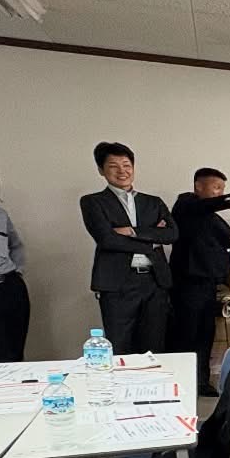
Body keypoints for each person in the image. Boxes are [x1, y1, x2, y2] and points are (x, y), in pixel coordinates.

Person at [79, 141, 175, 353]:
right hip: (117, 284)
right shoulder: (93, 202)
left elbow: (171, 234)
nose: (122, 171)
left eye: (126, 165)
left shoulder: (153, 202)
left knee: (154, 346)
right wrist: (152, 239)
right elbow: (107, 239)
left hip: (155, 281)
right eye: (113, 166)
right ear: (101, 170)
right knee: (120, 345)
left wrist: (132, 231)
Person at [168, 167, 230, 395]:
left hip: (209, 284)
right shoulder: (186, 204)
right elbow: (206, 206)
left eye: (223, 189)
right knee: (186, 334)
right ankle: (182, 382)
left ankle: (201, 381)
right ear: (199, 186)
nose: (220, 193)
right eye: (216, 188)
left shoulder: (213, 218)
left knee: (206, 335)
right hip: (187, 283)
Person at [0, 151, 30, 362]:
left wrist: (17, 274)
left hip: (8, 287)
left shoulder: (0, 214)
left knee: (15, 352)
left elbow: (16, 246)